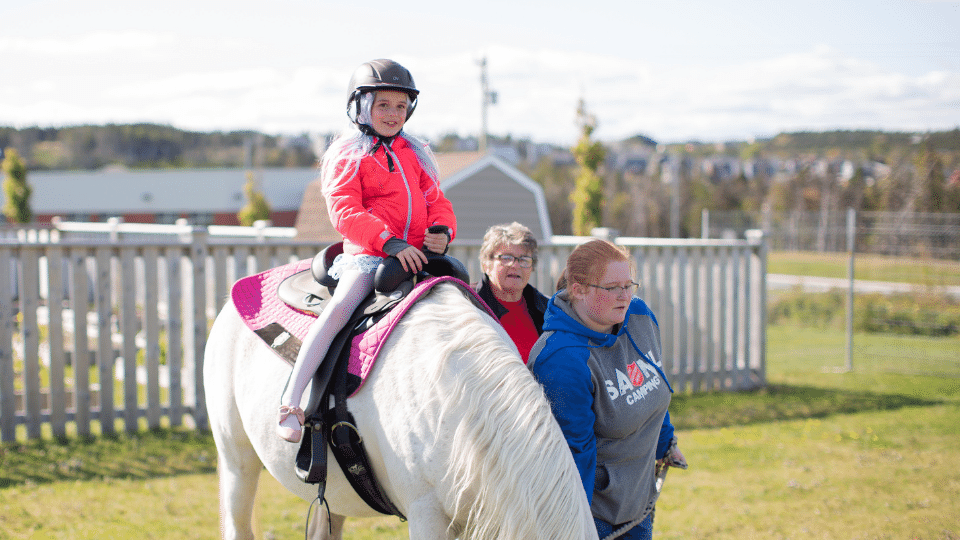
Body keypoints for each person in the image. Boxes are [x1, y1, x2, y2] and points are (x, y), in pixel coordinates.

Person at [277, 59, 457, 443]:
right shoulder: (348, 154)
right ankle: (292, 401)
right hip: (370, 254)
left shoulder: (415, 153)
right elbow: (344, 208)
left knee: (465, 293)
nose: (394, 114)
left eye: (400, 106)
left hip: (418, 253)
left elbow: (435, 200)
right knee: (342, 308)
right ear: (361, 108)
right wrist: (389, 242)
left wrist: (442, 229)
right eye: (383, 105)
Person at [528, 239, 686, 540]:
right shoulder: (561, 359)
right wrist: (577, 528)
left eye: (629, 285)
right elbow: (574, 455)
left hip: (639, 504)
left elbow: (651, 386)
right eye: (612, 288)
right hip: (596, 519)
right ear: (578, 289)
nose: (624, 296)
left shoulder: (638, 317)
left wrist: (666, 442)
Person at [471, 222, 549, 363]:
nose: (516, 265)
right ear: (486, 264)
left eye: (524, 259)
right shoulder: (469, 303)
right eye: (506, 258)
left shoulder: (546, 310)